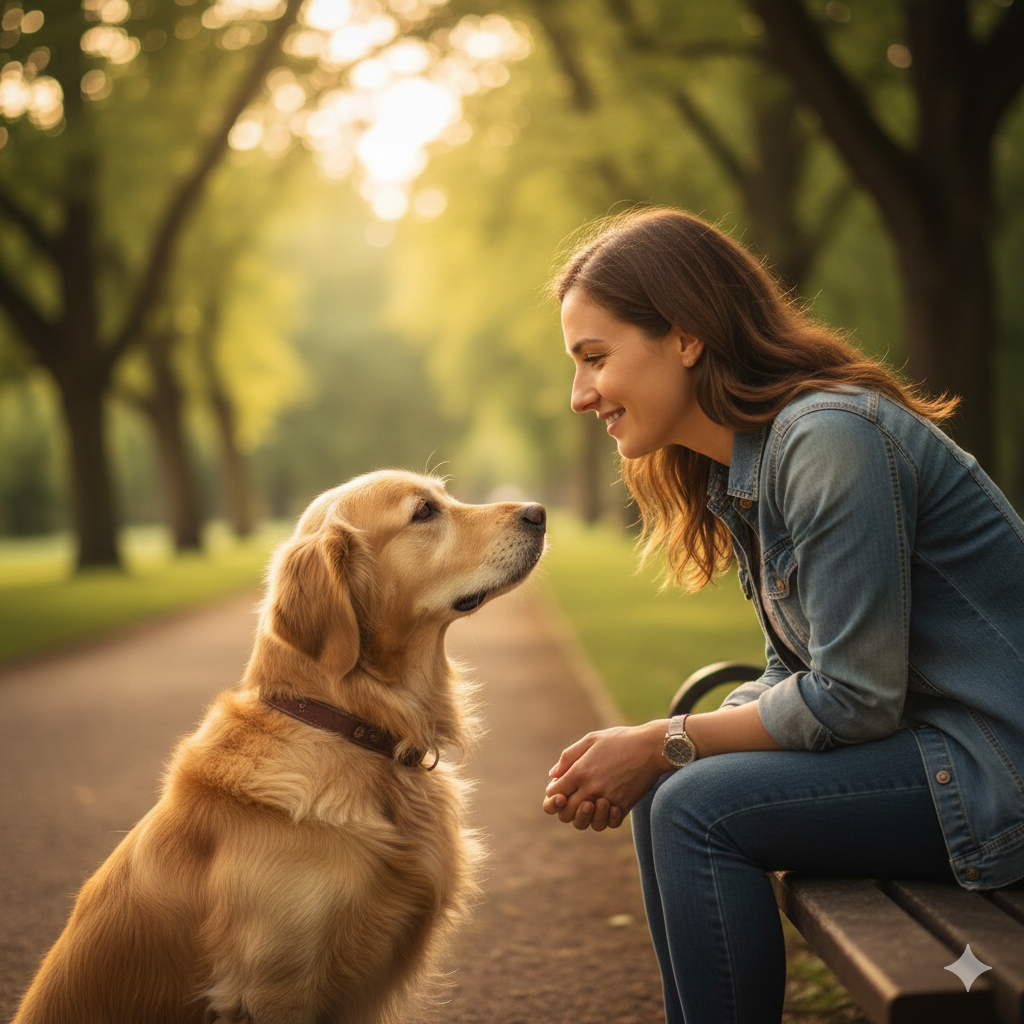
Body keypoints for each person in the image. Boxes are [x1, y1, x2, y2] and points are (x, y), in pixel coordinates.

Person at [542, 207, 1024, 1024]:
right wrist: (662, 751)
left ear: (685, 337)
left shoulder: (828, 439)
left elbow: (853, 698)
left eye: (595, 358)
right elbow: (792, 672)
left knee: (694, 806)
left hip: (997, 771)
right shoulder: (751, 461)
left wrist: (665, 740)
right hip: (938, 751)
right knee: (673, 792)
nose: (580, 395)